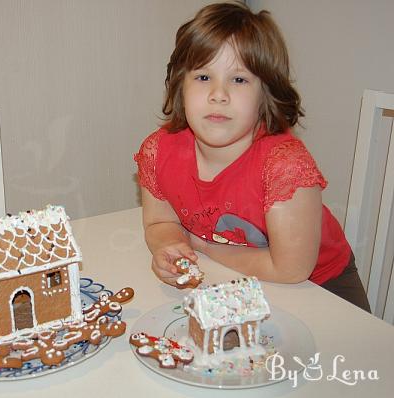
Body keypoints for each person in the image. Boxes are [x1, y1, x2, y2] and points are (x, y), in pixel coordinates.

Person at [133, 2, 370, 312]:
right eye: (203, 77)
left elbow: (290, 269)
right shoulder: (158, 151)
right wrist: (170, 247)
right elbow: (159, 222)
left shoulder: (285, 165)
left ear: (265, 95)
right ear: (180, 86)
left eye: (239, 79)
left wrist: (204, 246)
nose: (219, 94)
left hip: (321, 289)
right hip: (234, 282)